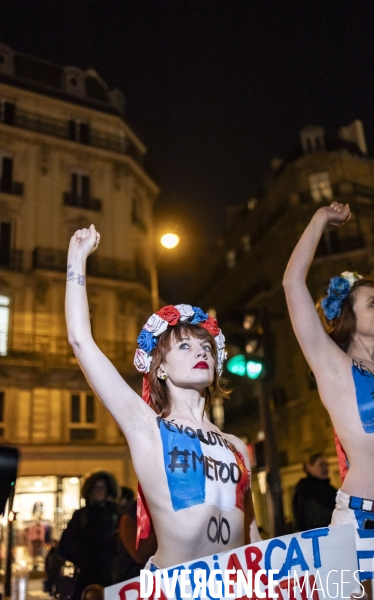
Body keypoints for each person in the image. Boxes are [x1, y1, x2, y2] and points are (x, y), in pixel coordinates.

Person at [65, 225, 260, 570]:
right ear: (160, 369)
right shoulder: (148, 429)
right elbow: (81, 341)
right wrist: (77, 261)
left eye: (205, 347)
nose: (199, 351)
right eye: (183, 346)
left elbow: (253, 538)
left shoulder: (236, 446)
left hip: (236, 588)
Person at [283, 201, 374, 596]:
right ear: (349, 316)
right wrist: (320, 218)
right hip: (359, 527)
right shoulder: (333, 365)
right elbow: (292, 284)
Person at [58, 471, 119, 600]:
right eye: (96, 487)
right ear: (90, 490)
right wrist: (83, 561)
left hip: (111, 576)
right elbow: (65, 546)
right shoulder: (82, 515)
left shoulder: (116, 514)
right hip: (87, 576)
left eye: (103, 487)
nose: (100, 491)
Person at [292, 453, 337, 531]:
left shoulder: (329, 489)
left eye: (327, 464)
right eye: (321, 464)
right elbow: (314, 516)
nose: (325, 468)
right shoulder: (305, 489)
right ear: (309, 467)